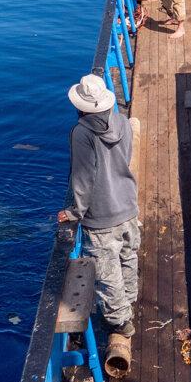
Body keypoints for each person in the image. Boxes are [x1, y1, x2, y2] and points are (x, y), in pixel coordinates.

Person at [58, 74, 140, 347]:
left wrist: (74, 213)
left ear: (80, 106)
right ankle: (130, 298)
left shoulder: (81, 133)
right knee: (128, 256)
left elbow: (83, 178)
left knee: (107, 274)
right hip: (128, 205)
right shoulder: (123, 122)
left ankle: (121, 322)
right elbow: (123, 158)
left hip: (101, 217)